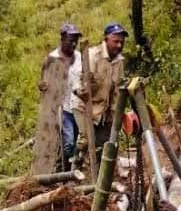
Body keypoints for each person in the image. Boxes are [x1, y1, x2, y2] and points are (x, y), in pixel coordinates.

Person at [73, 22, 127, 159]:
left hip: (103, 110)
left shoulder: (119, 61)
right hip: (84, 106)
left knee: (105, 145)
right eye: (116, 42)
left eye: (122, 42)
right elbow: (78, 79)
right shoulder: (92, 55)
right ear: (106, 39)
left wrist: (115, 116)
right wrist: (80, 90)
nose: (119, 45)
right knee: (86, 143)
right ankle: (75, 171)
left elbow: (116, 91)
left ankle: (100, 177)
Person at [49, 22, 82, 167]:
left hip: (78, 105)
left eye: (76, 40)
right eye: (70, 40)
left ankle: (69, 169)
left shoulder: (80, 56)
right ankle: (64, 170)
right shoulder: (53, 58)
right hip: (62, 107)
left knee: (77, 141)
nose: (74, 44)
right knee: (68, 143)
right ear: (62, 39)